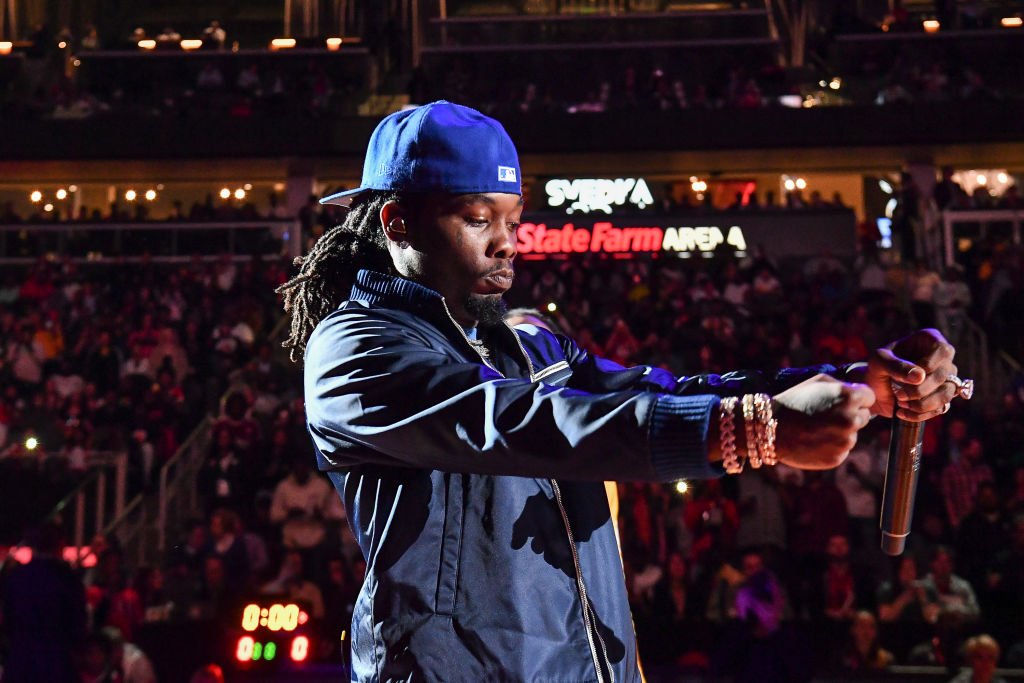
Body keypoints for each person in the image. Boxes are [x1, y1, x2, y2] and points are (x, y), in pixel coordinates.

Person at [278, 100, 961, 682]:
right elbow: (524, 421)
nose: (507, 243)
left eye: (512, 219)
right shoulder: (354, 348)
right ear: (397, 221)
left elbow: (657, 389)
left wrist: (859, 380)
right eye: (476, 217)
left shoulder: (524, 341)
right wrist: (757, 428)